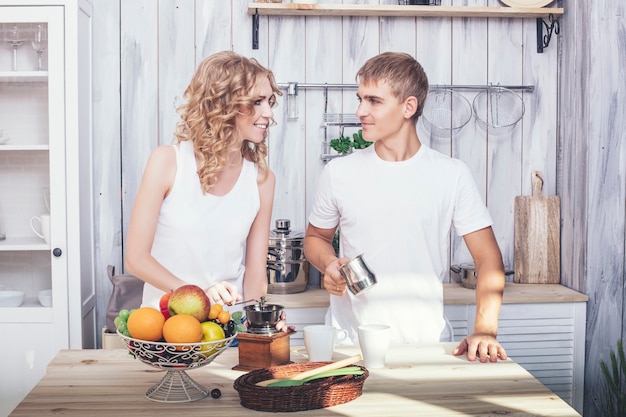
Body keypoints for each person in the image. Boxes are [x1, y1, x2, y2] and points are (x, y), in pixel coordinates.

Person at [303, 52, 508, 362]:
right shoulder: (339, 173)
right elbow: (315, 239)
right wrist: (328, 263)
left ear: (408, 107)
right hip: (349, 345)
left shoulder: (451, 174)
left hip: (425, 344)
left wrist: (485, 330)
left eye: (374, 101)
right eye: (360, 99)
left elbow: (489, 259)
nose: (360, 111)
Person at [125, 51, 286, 330]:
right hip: (163, 329)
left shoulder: (263, 180)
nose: (269, 113)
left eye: (269, 101)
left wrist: (262, 319)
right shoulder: (167, 161)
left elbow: (255, 274)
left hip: (226, 329)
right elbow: (136, 259)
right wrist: (199, 295)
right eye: (257, 102)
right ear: (224, 103)